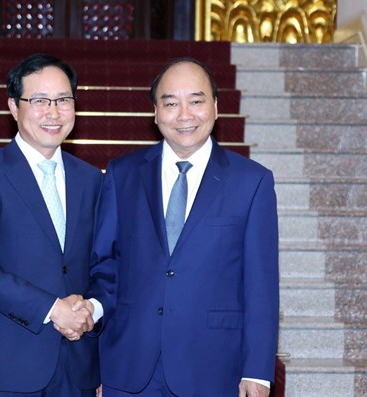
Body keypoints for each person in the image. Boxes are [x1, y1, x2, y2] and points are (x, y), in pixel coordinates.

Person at [81, 58, 280, 397]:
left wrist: (258, 372)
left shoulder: (252, 182)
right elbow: (105, 265)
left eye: (197, 101)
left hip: (213, 369)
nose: (184, 115)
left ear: (216, 107)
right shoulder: (122, 174)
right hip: (127, 369)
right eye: (171, 103)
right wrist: (96, 354)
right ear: (155, 113)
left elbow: (260, 285)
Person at [0, 53, 102, 397]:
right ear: (13, 106)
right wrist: (53, 310)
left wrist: (91, 310)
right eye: (39, 101)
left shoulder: (93, 180)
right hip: (8, 368)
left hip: (79, 366)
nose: (53, 112)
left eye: (64, 100)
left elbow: (104, 265)